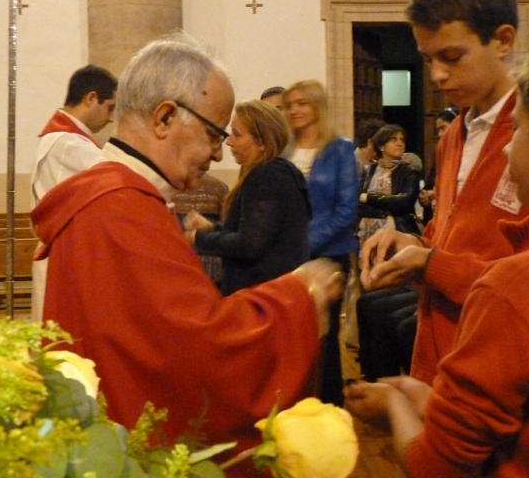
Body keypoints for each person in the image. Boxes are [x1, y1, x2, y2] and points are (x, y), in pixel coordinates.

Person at [31, 33, 343, 473]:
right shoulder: (125, 208)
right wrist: (297, 298)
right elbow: (200, 355)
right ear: (164, 117)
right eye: (215, 134)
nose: (218, 154)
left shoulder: (97, 196)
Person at [346, 28, 529, 477]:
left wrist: (396, 403)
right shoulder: (454, 135)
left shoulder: (519, 285)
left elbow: (437, 466)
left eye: (517, 129)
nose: (508, 146)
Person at [359, 0, 529, 386]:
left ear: (503, 40)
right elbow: (451, 233)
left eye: (452, 56)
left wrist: (431, 264)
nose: (437, 74)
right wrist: (412, 242)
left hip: (502, 365)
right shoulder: (455, 133)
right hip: (442, 351)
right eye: (428, 58)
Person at [184, 99, 311, 295]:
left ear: (262, 143)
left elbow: (250, 244)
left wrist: (198, 237)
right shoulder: (279, 172)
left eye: (237, 134)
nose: (229, 141)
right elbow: (258, 232)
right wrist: (212, 227)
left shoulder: (266, 176)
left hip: (262, 293)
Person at [283, 79, 359, 406]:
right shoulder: (284, 149)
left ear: (318, 106)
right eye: (289, 104)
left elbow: (346, 210)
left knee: (323, 340)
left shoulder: (340, 148)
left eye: (302, 103)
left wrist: (303, 244)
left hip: (328, 255)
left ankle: (327, 409)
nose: (295, 110)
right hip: (287, 257)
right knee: (289, 336)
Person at [29, 64, 117, 321]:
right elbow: (117, 179)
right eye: (110, 107)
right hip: (63, 261)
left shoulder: (60, 138)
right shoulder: (68, 143)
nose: (111, 118)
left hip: (62, 257)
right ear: (91, 98)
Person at [356, 124, 421, 380]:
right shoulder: (370, 169)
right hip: (367, 233)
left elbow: (404, 202)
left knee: (389, 286)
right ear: (381, 146)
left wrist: (370, 199)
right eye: (393, 140)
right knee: (368, 288)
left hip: (398, 236)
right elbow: (357, 205)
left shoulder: (409, 171)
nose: (399, 144)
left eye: (402, 139)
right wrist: (382, 206)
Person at [173, 172, 229, 285]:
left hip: (178, 258)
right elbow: (226, 226)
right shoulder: (219, 187)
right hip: (212, 264)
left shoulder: (171, 189)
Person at [418, 107, 458, 225]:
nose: (440, 134)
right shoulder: (441, 153)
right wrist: (425, 195)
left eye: (443, 128)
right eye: (438, 130)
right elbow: (432, 183)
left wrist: (434, 193)